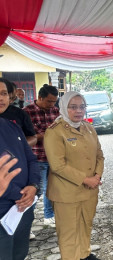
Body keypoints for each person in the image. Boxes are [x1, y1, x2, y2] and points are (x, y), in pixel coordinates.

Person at [44, 91, 104, 260]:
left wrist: (97, 176)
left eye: (82, 107)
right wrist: (86, 180)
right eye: (73, 107)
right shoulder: (55, 131)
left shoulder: (89, 128)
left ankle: (84, 254)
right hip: (66, 193)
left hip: (89, 191)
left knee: (86, 225)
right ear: (63, 107)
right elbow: (58, 166)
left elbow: (99, 155)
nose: (79, 111)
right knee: (69, 233)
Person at [0, 79, 40, 260]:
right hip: (4, 208)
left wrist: (33, 186)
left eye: (3, 93)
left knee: (19, 254)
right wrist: (20, 195)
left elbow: (31, 159)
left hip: (22, 209)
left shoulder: (13, 127)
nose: (1, 98)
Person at [24, 84, 60, 226]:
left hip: (54, 157)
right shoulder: (27, 112)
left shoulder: (56, 111)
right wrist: (42, 136)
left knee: (52, 189)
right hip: (36, 158)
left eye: (54, 102)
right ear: (40, 97)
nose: (52, 105)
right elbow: (26, 136)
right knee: (36, 190)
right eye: (49, 101)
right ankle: (25, 223)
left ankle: (49, 216)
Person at [0, 78, 37, 147]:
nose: (0, 98)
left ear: (10, 96)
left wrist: (18, 146)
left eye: (4, 93)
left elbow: (33, 137)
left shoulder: (20, 114)